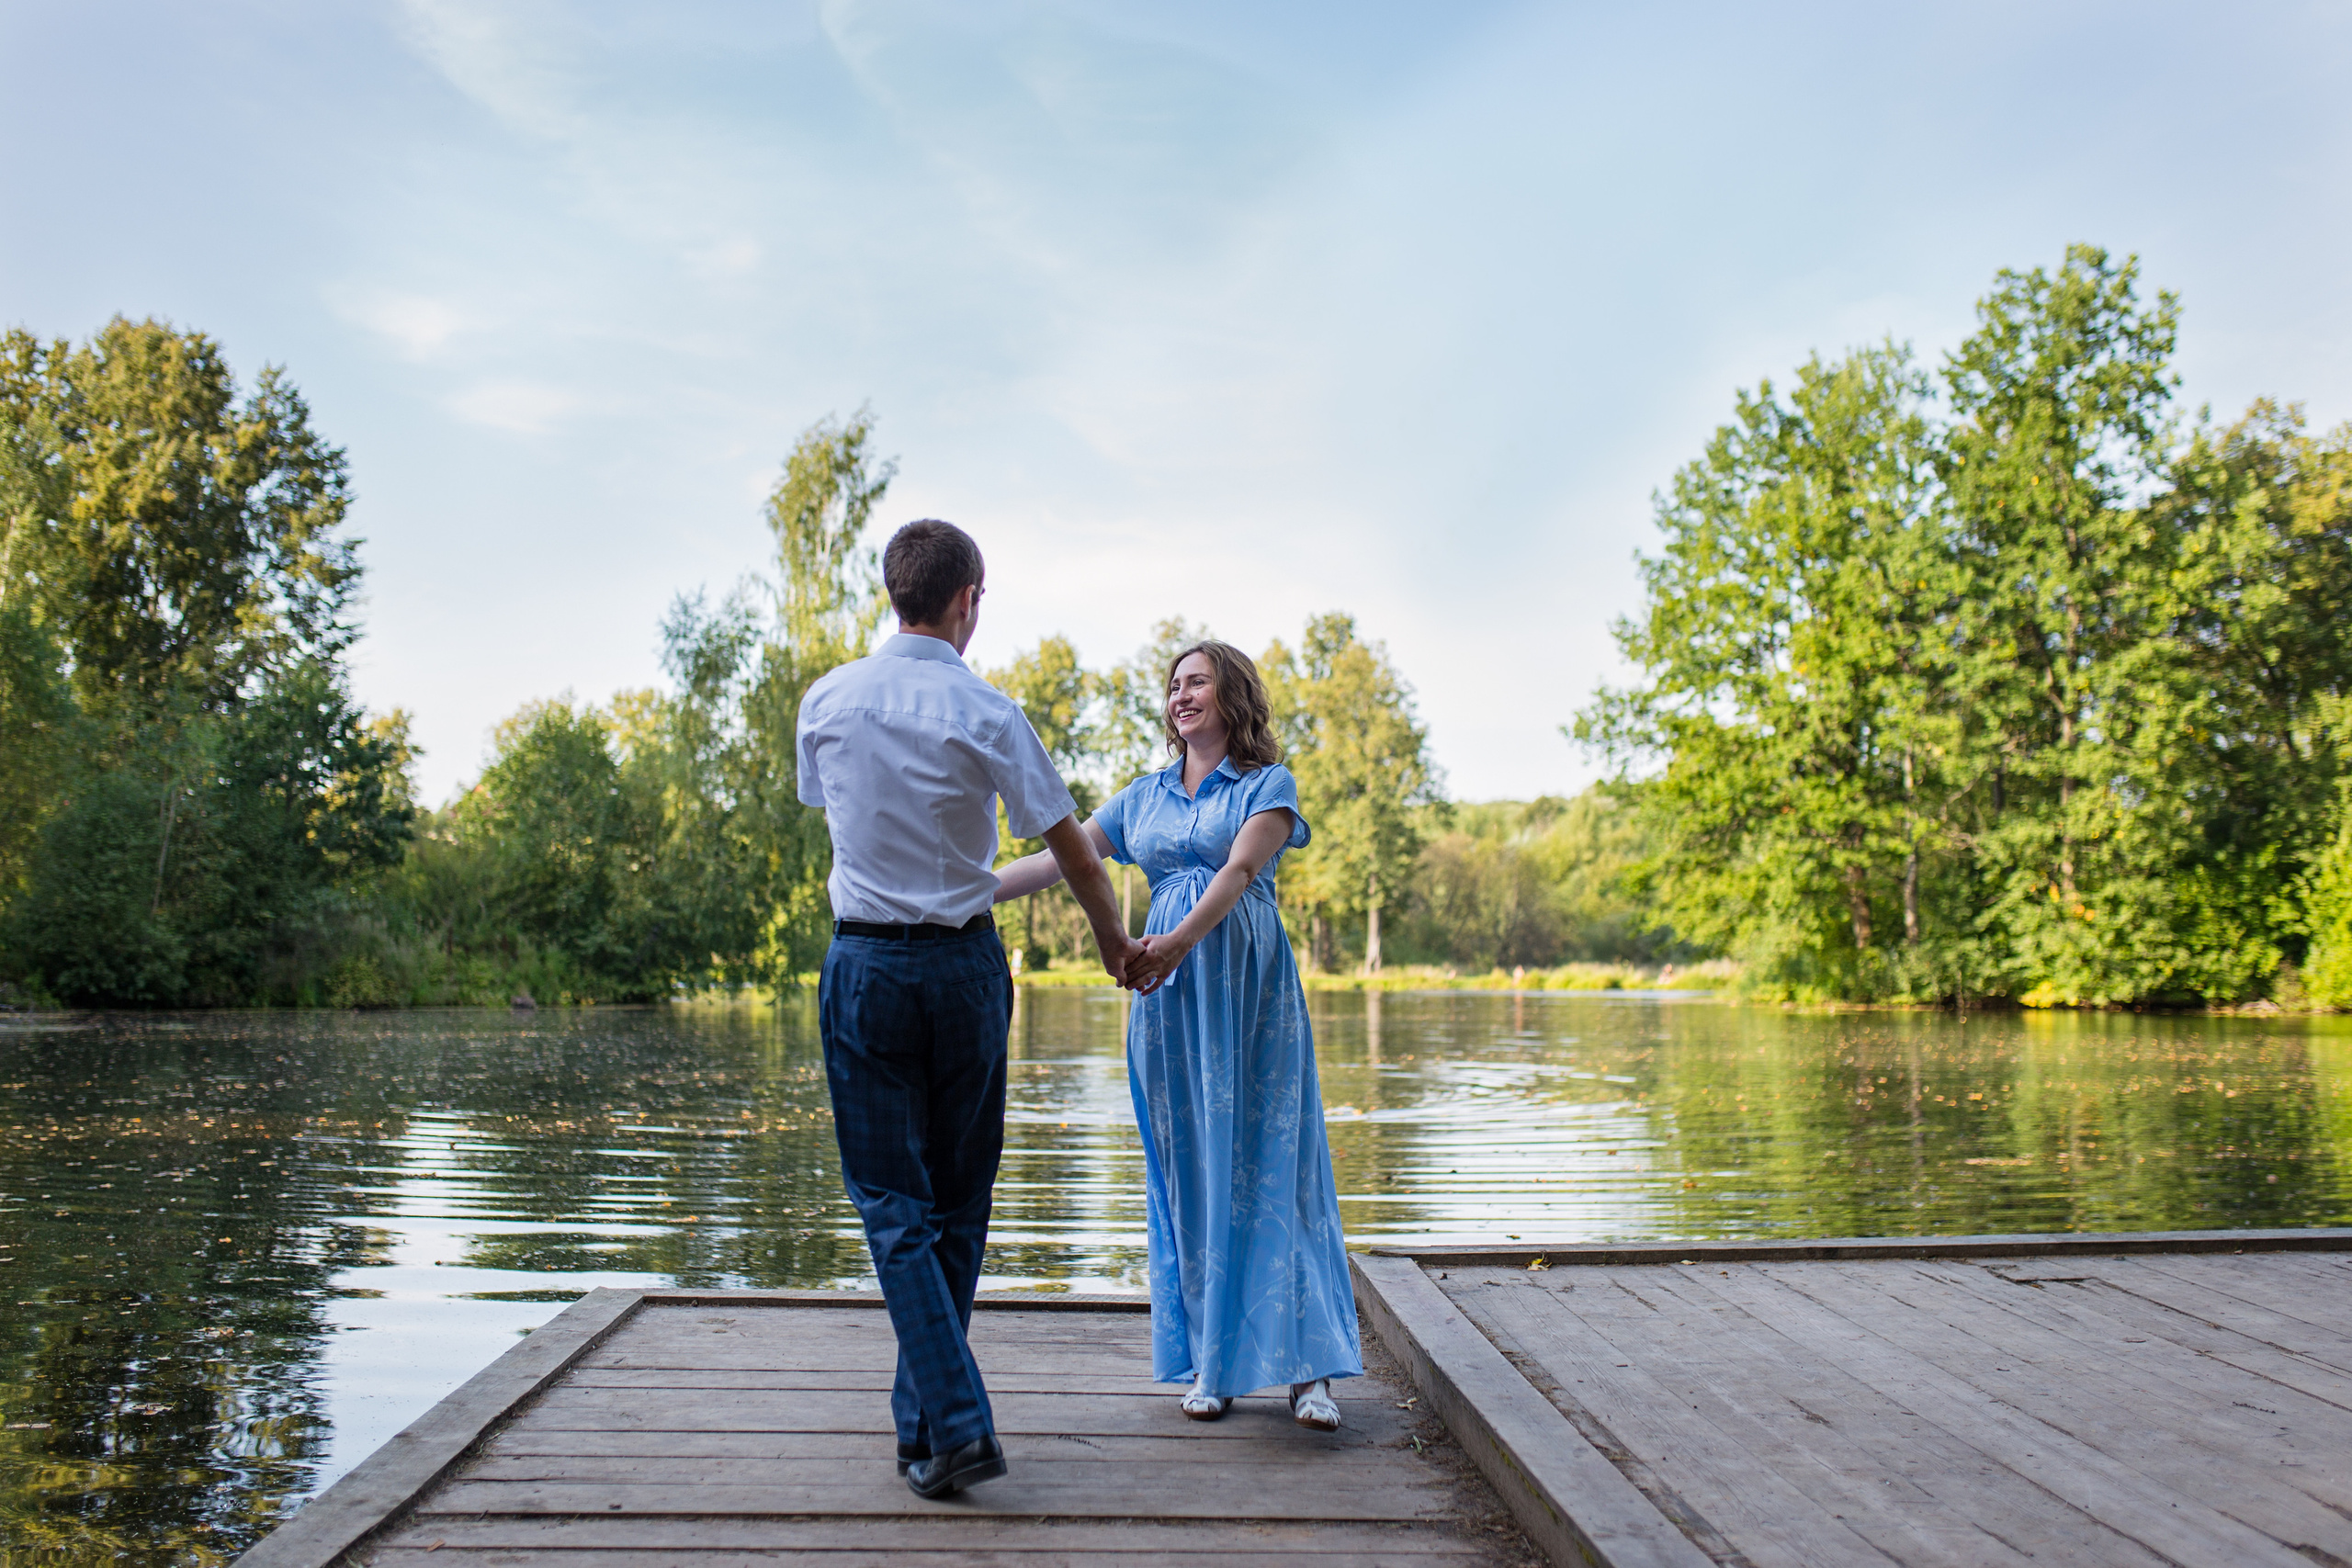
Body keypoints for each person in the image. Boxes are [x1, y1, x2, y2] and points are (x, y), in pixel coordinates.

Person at [796, 519, 1141, 1498]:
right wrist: (1114, 944)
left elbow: (833, 808)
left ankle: (937, 1425)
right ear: (968, 600)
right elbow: (1072, 845)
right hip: (962, 973)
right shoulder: (987, 709)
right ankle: (945, 1426)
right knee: (956, 1199)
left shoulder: (826, 699)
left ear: (892, 592)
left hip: (864, 968)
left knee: (890, 1201)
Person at [994, 639, 1361, 1431]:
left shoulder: (1269, 785)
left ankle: (1311, 1374)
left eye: (1196, 681)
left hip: (1242, 988)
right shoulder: (1144, 794)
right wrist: (973, 890)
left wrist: (1174, 943)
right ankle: (1213, 1360)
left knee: (1274, 1162)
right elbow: (1068, 855)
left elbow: (1236, 874)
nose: (1181, 695)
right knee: (1190, 1166)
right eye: (1173, 685)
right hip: (1167, 1000)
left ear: (1231, 695)